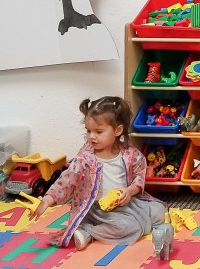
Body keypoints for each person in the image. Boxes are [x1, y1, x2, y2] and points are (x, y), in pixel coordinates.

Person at [32, 96, 166, 249]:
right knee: (129, 228)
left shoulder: (130, 155)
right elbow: (66, 180)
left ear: (118, 130)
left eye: (99, 131)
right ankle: (87, 232)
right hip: (96, 210)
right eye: (88, 131)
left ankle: (108, 228)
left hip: (124, 204)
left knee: (159, 211)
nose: (92, 136)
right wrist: (47, 200)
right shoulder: (85, 158)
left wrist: (129, 191)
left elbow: (139, 177)